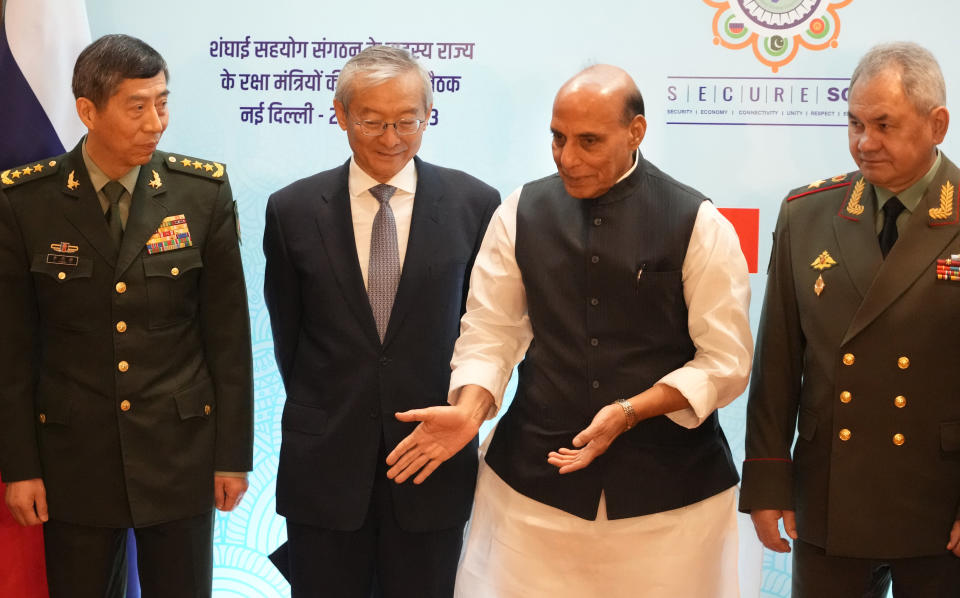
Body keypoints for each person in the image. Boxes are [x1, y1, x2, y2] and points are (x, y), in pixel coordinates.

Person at [385, 64, 752, 597]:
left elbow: (725, 361)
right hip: (530, 497)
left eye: (589, 141)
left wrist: (630, 412)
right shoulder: (520, 211)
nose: (567, 158)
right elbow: (492, 329)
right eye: (557, 138)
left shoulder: (698, 221)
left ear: (637, 132)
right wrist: (470, 409)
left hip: (671, 503)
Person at [0, 34, 253, 598]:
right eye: (137, 107)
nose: (155, 122)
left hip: (179, 454)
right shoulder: (25, 201)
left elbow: (229, 338)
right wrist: (19, 467)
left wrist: (231, 457)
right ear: (87, 110)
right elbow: (12, 350)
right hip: (73, 459)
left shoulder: (201, 192)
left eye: (162, 102)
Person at [263, 45, 499, 598]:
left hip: (431, 459)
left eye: (407, 121)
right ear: (341, 115)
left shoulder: (475, 203)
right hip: (325, 462)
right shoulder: (292, 209)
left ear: (428, 116)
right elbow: (288, 339)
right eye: (371, 121)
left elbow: (486, 331)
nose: (391, 138)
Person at [740, 41, 960, 597]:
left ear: (937, 124)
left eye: (884, 125)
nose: (865, 142)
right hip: (831, 494)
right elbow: (779, 364)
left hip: (939, 501)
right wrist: (768, 482)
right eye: (855, 123)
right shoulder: (807, 214)